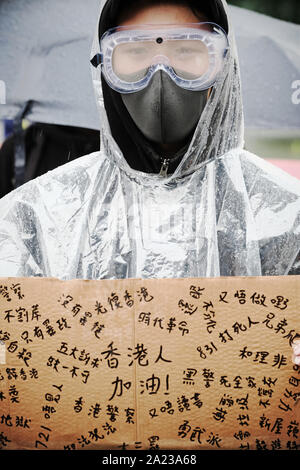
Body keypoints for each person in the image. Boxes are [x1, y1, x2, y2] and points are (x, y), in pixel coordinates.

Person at [0, 0, 299, 362]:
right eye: (135, 51)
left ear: (222, 65)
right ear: (103, 66)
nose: (161, 72)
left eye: (188, 49)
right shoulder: (33, 217)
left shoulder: (286, 215)